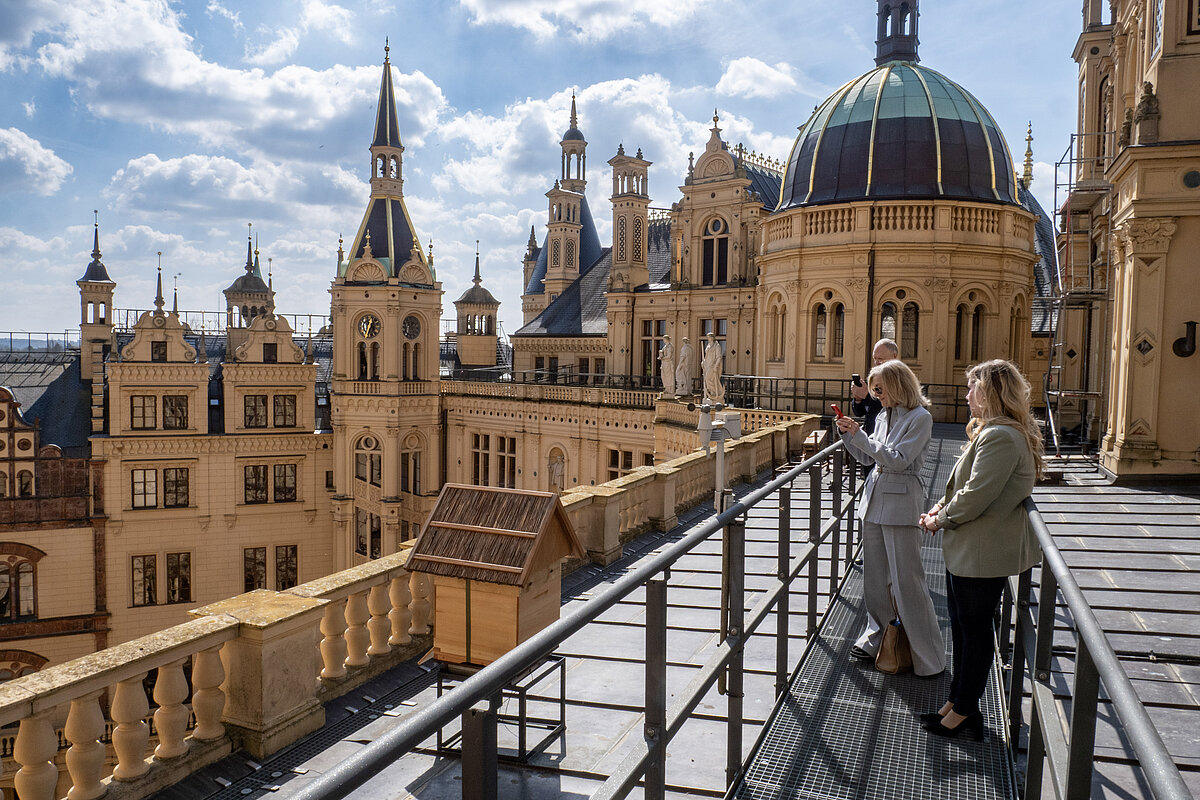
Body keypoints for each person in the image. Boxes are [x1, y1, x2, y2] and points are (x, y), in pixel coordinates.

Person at [919, 359, 1044, 739]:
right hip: (972, 550)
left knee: (973, 637)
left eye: (974, 387)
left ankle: (966, 710)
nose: (968, 394)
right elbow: (966, 487)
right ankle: (957, 701)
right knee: (963, 631)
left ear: (991, 393)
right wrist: (940, 507)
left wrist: (939, 520)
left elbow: (976, 495)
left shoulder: (1001, 436)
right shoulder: (995, 432)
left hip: (980, 553)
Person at [835, 360, 945, 676]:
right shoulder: (884, 415)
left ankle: (928, 656)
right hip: (874, 501)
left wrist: (861, 436)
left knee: (907, 581)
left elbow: (897, 460)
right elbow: (869, 457)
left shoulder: (920, 418)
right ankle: (880, 638)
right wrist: (848, 435)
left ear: (897, 385)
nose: (877, 396)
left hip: (900, 502)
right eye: (875, 390)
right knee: (874, 580)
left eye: (880, 390)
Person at [851, 338, 900, 436]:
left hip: (886, 436)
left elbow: (891, 406)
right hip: (871, 437)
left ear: (894, 356)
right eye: (875, 358)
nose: (877, 362)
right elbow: (860, 412)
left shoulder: (899, 379)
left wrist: (866, 395)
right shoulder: (876, 377)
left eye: (881, 359)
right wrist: (858, 398)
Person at [701, 332, 725, 404]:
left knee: (709, 378)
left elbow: (719, 357)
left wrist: (715, 366)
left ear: (712, 338)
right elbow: (706, 356)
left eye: (709, 337)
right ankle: (712, 393)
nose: (708, 338)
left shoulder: (716, 346)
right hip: (707, 365)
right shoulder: (708, 345)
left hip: (712, 365)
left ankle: (717, 392)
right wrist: (703, 362)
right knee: (707, 380)